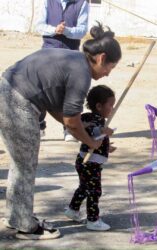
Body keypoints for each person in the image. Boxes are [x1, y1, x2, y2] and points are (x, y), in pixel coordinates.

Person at [0, 23, 121, 240]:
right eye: (109, 68)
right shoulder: (81, 73)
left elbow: (60, 110)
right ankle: (26, 226)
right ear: (101, 58)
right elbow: (71, 121)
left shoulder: (73, 59)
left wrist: (82, 130)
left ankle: (16, 216)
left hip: (9, 90)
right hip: (17, 100)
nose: (107, 74)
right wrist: (91, 142)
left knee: (21, 163)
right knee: (26, 164)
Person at [64, 85, 116, 231]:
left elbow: (95, 139)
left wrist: (107, 146)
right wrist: (102, 130)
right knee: (94, 191)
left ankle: (72, 210)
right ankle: (93, 220)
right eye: (110, 105)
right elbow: (91, 130)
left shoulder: (92, 117)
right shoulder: (95, 120)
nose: (112, 108)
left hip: (85, 161)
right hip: (90, 163)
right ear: (99, 106)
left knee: (84, 188)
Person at [36, 0, 89, 141]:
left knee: (69, 92)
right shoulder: (49, 2)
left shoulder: (81, 3)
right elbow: (39, 26)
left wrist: (67, 31)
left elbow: (82, 30)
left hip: (70, 54)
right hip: (48, 52)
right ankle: (39, 127)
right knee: (43, 90)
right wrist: (54, 30)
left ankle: (69, 129)